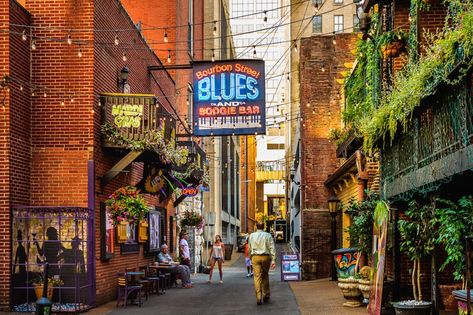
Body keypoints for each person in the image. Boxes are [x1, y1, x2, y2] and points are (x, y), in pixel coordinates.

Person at [249, 222, 276, 305]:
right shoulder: (268, 235)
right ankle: (266, 295)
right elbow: (272, 247)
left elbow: (250, 247)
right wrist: (274, 260)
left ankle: (259, 297)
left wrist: (251, 258)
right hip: (265, 257)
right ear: (263, 226)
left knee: (257, 277)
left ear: (256, 226)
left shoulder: (252, 235)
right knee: (265, 275)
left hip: (255, 257)